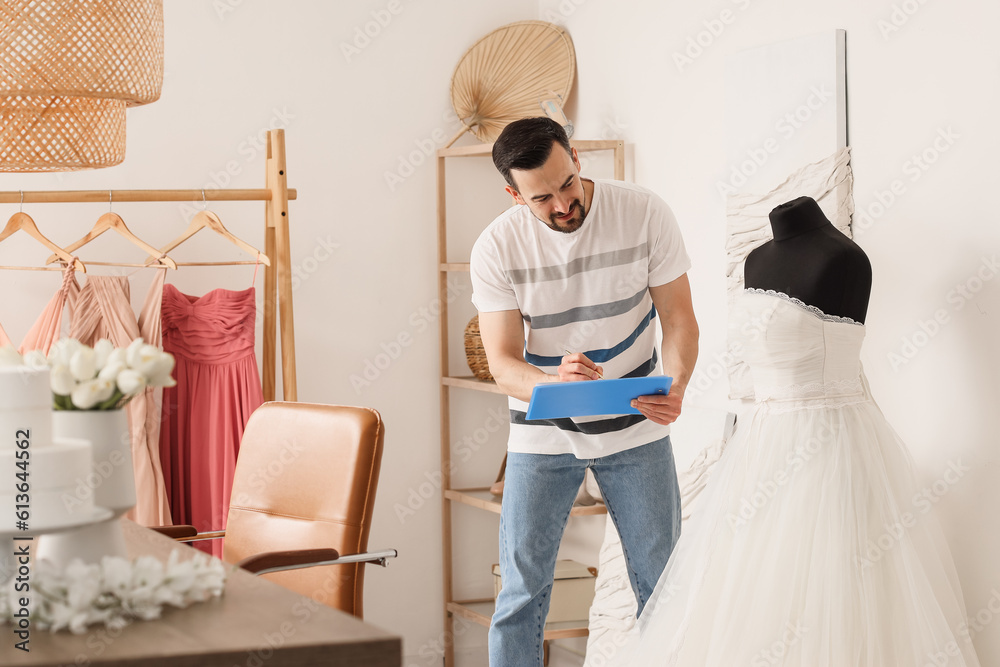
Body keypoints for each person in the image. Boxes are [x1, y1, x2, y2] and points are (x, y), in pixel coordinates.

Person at [613, 197, 981, 666]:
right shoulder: (756, 260)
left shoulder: (844, 259)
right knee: (756, 587)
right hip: (759, 446)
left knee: (838, 586)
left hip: (830, 443)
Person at [470, 117, 699, 667]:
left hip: (635, 419)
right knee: (521, 593)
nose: (563, 205)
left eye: (568, 184)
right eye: (542, 197)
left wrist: (679, 384)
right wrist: (551, 383)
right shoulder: (497, 246)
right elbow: (502, 363)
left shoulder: (644, 213)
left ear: (576, 157)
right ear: (513, 193)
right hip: (542, 428)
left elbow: (679, 319)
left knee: (661, 583)